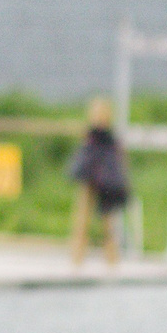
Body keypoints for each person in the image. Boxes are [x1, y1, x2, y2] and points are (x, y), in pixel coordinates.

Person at [70, 100, 130, 264]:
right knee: (83, 220)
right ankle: (77, 258)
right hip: (90, 179)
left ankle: (111, 259)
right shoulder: (91, 138)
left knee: (108, 223)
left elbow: (119, 162)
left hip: (106, 183)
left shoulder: (109, 140)